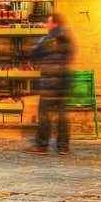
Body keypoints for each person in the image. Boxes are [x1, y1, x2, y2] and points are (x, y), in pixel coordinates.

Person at [26, 13, 76, 155]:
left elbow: (34, 53)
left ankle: (42, 145)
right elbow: (71, 55)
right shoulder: (68, 39)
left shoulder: (47, 39)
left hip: (49, 82)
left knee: (44, 114)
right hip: (64, 80)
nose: (47, 25)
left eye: (48, 22)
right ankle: (63, 146)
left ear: (54, 23)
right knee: (62, 114)